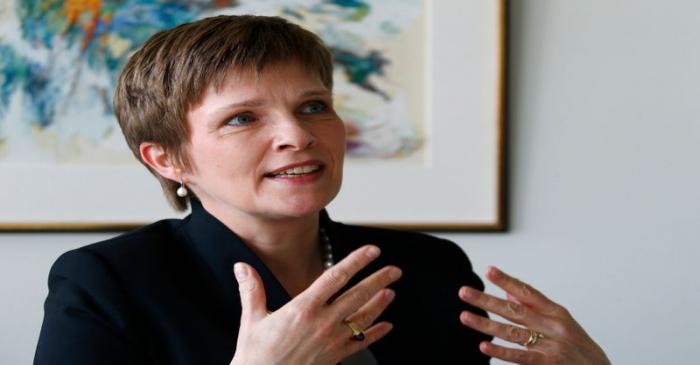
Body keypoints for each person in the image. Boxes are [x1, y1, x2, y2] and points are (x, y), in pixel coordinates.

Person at [34, 15, 610, 365]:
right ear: (169, 159)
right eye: (242, 118)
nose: (297, 135)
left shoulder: (430, 265)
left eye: (314, 106)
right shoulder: (106, 282)